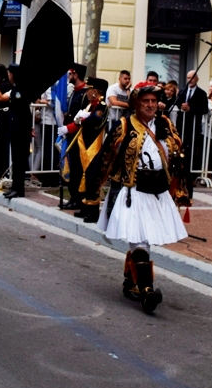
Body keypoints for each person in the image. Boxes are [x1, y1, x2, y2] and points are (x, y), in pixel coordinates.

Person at [91, 82, 190, 313]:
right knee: (138, 239)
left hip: (156, 190)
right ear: (136, 104)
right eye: (145, 101)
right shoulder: (124, 125)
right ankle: (147, 291)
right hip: (131, 189)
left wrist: (182, 187)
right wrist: (94, 191)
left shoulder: (165, 124)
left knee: (144, 238)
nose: (150, 105)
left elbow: (179, 155)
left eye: (154, 101)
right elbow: (106, 156)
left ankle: (131, 282)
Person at [66, 78, 109, 221]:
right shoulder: (91, 106)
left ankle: (93, 211)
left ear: (95, 92)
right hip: (84, 145)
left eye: (89, 90)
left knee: (92, 179)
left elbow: (95, 122)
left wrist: (84, 119)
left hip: (93, 147)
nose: (87, 92)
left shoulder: (102, 106)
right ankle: (84, 207)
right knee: (83, 177)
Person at [59, 63, 90, 209]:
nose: (68, 77)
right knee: (72, 166)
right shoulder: (74, 92)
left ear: (76, 74)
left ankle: (78, 198)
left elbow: (84, 116)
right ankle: (73, 196)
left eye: (70, 74)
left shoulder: (85, 94)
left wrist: (69, 128)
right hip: (71, 135)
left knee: (78, 168)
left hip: (79, 137)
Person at [3, 64, 33, 200]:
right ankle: (15, 187)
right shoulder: (16, 88)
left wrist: (28, 129)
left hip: (20, 131)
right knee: (16, 160)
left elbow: (24, 112)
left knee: (19, 161)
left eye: (9, 73)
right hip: (16, 129)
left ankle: (18, 189)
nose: (8, 76)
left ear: (13, 74)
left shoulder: (20, 90)